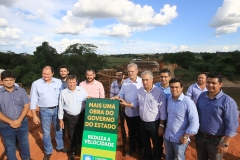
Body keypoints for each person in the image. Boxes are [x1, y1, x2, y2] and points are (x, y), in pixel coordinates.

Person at [122, 70, 166, 160]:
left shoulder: (159, 93)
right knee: (145, 143)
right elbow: (137, 103)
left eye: (147, 80)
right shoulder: (140, 91)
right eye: (143, 80)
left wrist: (161, 125)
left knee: (157, 144)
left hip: (155, 123)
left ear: (152, 79)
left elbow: (163, 111)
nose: (145, 82)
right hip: (142, 122)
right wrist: (127, 104)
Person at [196, 72, 239, 160]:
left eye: (213, 83)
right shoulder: (202, 96)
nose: (210, 85)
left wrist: (225, 143)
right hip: (200, 137)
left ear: (220, 84)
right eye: (208, 82)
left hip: (216, 141)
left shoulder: (228, 102)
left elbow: (231, 125)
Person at [30, 66, 67, 160]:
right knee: (46, 132)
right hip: (44, 110)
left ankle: (60, 146)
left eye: (48, 74)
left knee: (58, 129)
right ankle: (48, 151)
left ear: (52, 74)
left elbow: (64, 95)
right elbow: (33, 99)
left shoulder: (59, 82)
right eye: (44, 74)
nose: (45, 76)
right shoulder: (36, 84)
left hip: (57, 109)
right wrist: (34, 115)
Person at [162, 78, 199, 160]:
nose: (174, 89)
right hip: (168, 137)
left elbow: (195, 122)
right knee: (168, 157)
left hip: (179, 139)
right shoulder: (169, 99)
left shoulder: (188, 102)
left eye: (176, 87)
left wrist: (186, 136)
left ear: (182, 88)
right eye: (172, 87)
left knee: (179, 158)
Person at [111, 63, 143, 156]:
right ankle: (132, 148)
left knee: (139, 132)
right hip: (128, 113)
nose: (130, 73)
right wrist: (116, 97)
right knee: (131, 131)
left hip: (138, 113)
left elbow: (142, 99)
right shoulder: (125, 82)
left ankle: (140, 149)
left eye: (132, 71)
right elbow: (121, 94)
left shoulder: (141, 82)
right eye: (129, 71)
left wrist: (127, 104)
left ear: (137, 71)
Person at [0, 70, 32, 160]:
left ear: (14, 80)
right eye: (6, 80)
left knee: (24, 142)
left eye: (11, 79)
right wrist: (11, 122)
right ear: (2, 81)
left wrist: (19, 120)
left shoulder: (21, 91)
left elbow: (26, 105)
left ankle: (26, 158)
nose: (9, 82)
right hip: (5, 125)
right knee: (10, 144)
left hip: (22, 122)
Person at [58, 75, 88, 160]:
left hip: (81, 115)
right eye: (70, 82)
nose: (72, 84)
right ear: (67, 83)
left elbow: (87, 99)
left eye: (73, 82)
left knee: (80, 132)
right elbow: (61, 106)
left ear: (76, 82)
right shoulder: (63, 92)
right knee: (71, 134)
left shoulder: (81, 90)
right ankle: (73, 150)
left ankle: (81, 149)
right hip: (69, 116)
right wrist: (61, 120)